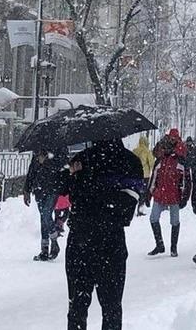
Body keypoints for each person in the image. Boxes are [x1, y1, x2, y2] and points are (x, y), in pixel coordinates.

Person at [59, 139, 143, 330]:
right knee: (111, 307)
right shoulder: (130, 162)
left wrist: (77, 179)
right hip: (110, 242)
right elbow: (126, 209)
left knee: (77, 306)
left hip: (81, 242)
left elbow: (61, 188)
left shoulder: (82, 160)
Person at [146, 139, 189, 257]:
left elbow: (186, 180)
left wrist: (185, 197)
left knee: (166, 220)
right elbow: (154, 178)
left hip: (170, 195)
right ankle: (166, 246)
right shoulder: (162, 161)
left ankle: (168, 246)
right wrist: (149, 194)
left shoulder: (177, 161)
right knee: (159, 219)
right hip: (166, 195)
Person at [24, 148, 65, 261]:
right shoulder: (37, 151)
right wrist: (27, 190)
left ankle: (54, 240)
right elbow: (31, 171)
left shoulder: (58, 148)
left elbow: (61, 165)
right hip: (39, 189)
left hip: (53, 188)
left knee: (46, 214)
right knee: (43, 217)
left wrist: (46, 162)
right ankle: (44, 249)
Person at [132, 136, 155, 216]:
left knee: (135, 191)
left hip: (135, 175)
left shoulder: (135, 150)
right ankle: (140, 209)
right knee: (143, 192)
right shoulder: (147, 151)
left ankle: (132, 208)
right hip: (145, 175)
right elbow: (152, 163)